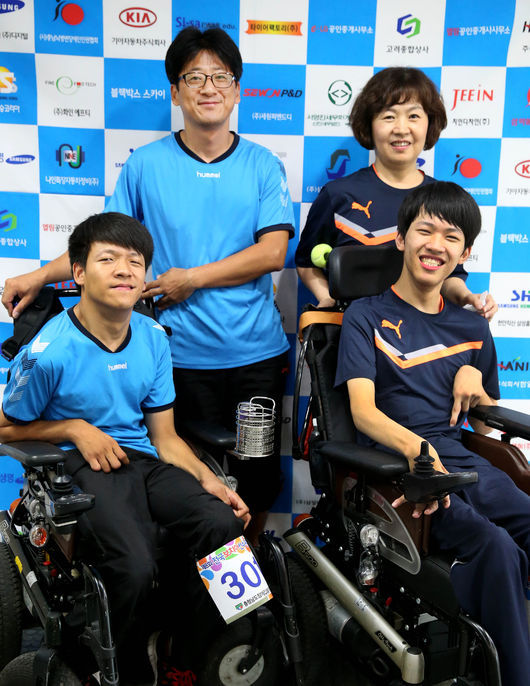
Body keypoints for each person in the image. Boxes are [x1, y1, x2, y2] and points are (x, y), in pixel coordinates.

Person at [1, 27, 295, 544]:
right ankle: (188, 582)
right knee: (182, 478)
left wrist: (192, 279)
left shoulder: (263, 165)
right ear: (175, 92)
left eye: (221, 77)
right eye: (194, 78)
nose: (209, 88)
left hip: (255, 354)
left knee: (259, 477)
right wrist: (39, 275)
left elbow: (273, 253)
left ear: (237, 90)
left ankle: (245, 576)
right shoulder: (145, 164)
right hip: (177, 354)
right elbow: (103, 244)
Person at [0, 212, 250, 685]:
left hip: (142, 458)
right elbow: (3, 429)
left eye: (135, 262)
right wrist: (74, 428)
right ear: (78, 273)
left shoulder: (153, 338)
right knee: (134, 566)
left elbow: (165, 437)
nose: (124, 271)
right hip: (79, 466)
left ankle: (188, 654)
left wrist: (211, 481)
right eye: (108, 259)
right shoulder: (48, 351)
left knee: (223, 525)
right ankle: (128, 668)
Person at [335, 181, 529, 686]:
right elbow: (363, 413)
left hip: (462, 459)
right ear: (401, 238)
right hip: (400, 468)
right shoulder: (365, 316)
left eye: (451, 236)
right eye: (425, 230)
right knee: (495, 547)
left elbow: (484, 425)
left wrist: (475, 382)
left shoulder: (472, 328)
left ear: (464, 254)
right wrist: (418, 450)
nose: (435, 245)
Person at [296, 67, 497, 320]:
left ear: (429, 124)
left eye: (413, 116)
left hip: (421, 336)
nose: (401, 129)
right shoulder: (338, 194)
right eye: (389, 116)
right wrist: (326, 298)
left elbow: (451, 275)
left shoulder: (442, 200)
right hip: (351, 333)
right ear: (370, 124)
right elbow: (306, 262)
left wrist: (469, 298)